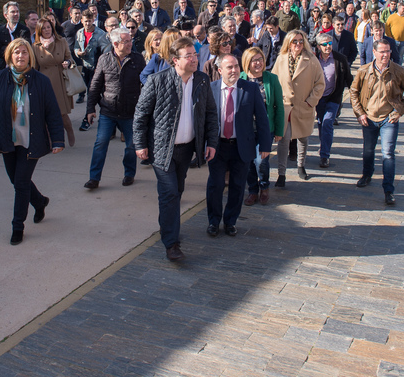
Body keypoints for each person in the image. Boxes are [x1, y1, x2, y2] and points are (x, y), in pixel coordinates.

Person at [133, 36, 218, 262]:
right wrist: (139, 144)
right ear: (174, 60)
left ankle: (167, 226)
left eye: (195, 54)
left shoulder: (201, 80)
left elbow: (210, 113)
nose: (194, 59)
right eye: (188, 55)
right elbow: (140, 115)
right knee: (170, 191)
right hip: (162, 148)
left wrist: (211, 142)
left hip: (187, 148)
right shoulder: (157, 81)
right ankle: (172, 244)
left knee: (176, 192)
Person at [0, 38, 64, 245]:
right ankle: (40, 201)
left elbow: (52, 112)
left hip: (31, 141)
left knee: (21, 183)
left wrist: (57, 139)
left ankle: (17, 226)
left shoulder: (41, 81)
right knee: (16, 180)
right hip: (7, 139)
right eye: (17, 53)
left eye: (24, 53)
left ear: (29, 56)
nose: (21, 56)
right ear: (10, 56)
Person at [206, 53, 271, 237]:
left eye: (236, 66)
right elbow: (203, 120)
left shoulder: (250, 89)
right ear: (220, 71)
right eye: (229, 67)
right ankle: (213, 221)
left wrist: (265, 145)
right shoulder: (211, 89)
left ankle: (230, 222)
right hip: (217, 147)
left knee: (237, 185)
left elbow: (262, 120)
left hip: (241, 147)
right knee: (215, 185)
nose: (234, 70)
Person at [350, 38, 404, 205]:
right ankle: (367, 175)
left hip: (389, 119)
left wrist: (400, 110)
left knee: (388, 154)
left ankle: (388, 189)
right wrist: (360, 113)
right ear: (374, 52)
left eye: (387, 51)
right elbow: (353, 92)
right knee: (368, 150)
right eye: (382, 51)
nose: (385, 55)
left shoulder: (398, 71)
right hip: (369, 117)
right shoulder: (364, 71)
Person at [84, 26, 145, 189]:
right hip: (108, 111)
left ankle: (129, 174)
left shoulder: (138, 59)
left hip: (130, 111)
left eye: (130, 40)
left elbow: (146, 85)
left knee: (131, 145)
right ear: (116, 43)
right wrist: (90, 109)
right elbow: (95, 85)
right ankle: (94, 178)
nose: (130, 43)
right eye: (126, 41)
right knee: (100, 143)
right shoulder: (104, 59)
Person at [272, 29, 325, 186]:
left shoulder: (311, 60)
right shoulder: (281, 59)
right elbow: (274, 81)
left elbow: (320, 84)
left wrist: (310, 101)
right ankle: (281, 174)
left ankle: (301, 165)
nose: (298, 44)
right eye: (294, 41)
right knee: (283, 140)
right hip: (285, 107)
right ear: (288, 43)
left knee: (303, 138)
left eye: (301, 41)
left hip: (303, 105)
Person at [239, 47, 283, 206]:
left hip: (266, 129)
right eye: (253, 60)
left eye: (260, 59)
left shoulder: (271, 79)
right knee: (249, 161)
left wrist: (279, 130)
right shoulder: (241, 78)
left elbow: (279, 106)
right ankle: (252, 190)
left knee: (261, 161)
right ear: (246, 62)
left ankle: (264, 186)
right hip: (246, 130)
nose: (257, 63)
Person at [31, 18, 77, 146]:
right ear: (39, 30)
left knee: (62, 112)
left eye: (48, 27)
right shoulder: (35, 46)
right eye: (44, 28)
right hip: (43, 81)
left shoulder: (61, 41)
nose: (47, 30)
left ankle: (69, 130)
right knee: (46, 113)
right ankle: (50, 139)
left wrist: (67, 62)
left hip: (59, 80)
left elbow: (69, 58)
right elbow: (34, 67)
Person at [312, 33, 351, 169]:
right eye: (324, 44)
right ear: (319, 46)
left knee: (328, 122)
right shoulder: (314, 59)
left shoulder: (340, 59)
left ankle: (325, 155)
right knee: (321, 123)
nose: (328, 46)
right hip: (319, 98)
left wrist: (354, 92)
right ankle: (324, 145)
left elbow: (348, 77)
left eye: (330, 43)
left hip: (334, 97)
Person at [74, 10, 109, 112]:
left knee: (91, 92)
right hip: (85, 67)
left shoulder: (101, 34)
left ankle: (88, 115)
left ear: (93, 20)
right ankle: (105, 110)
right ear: (81, 21)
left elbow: (105, 52)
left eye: (89, 21)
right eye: (85, 21)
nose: (87, 24)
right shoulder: (79, 33)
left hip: (96, 67)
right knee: (93, 92)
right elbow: (76, 47)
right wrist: (78, 53)